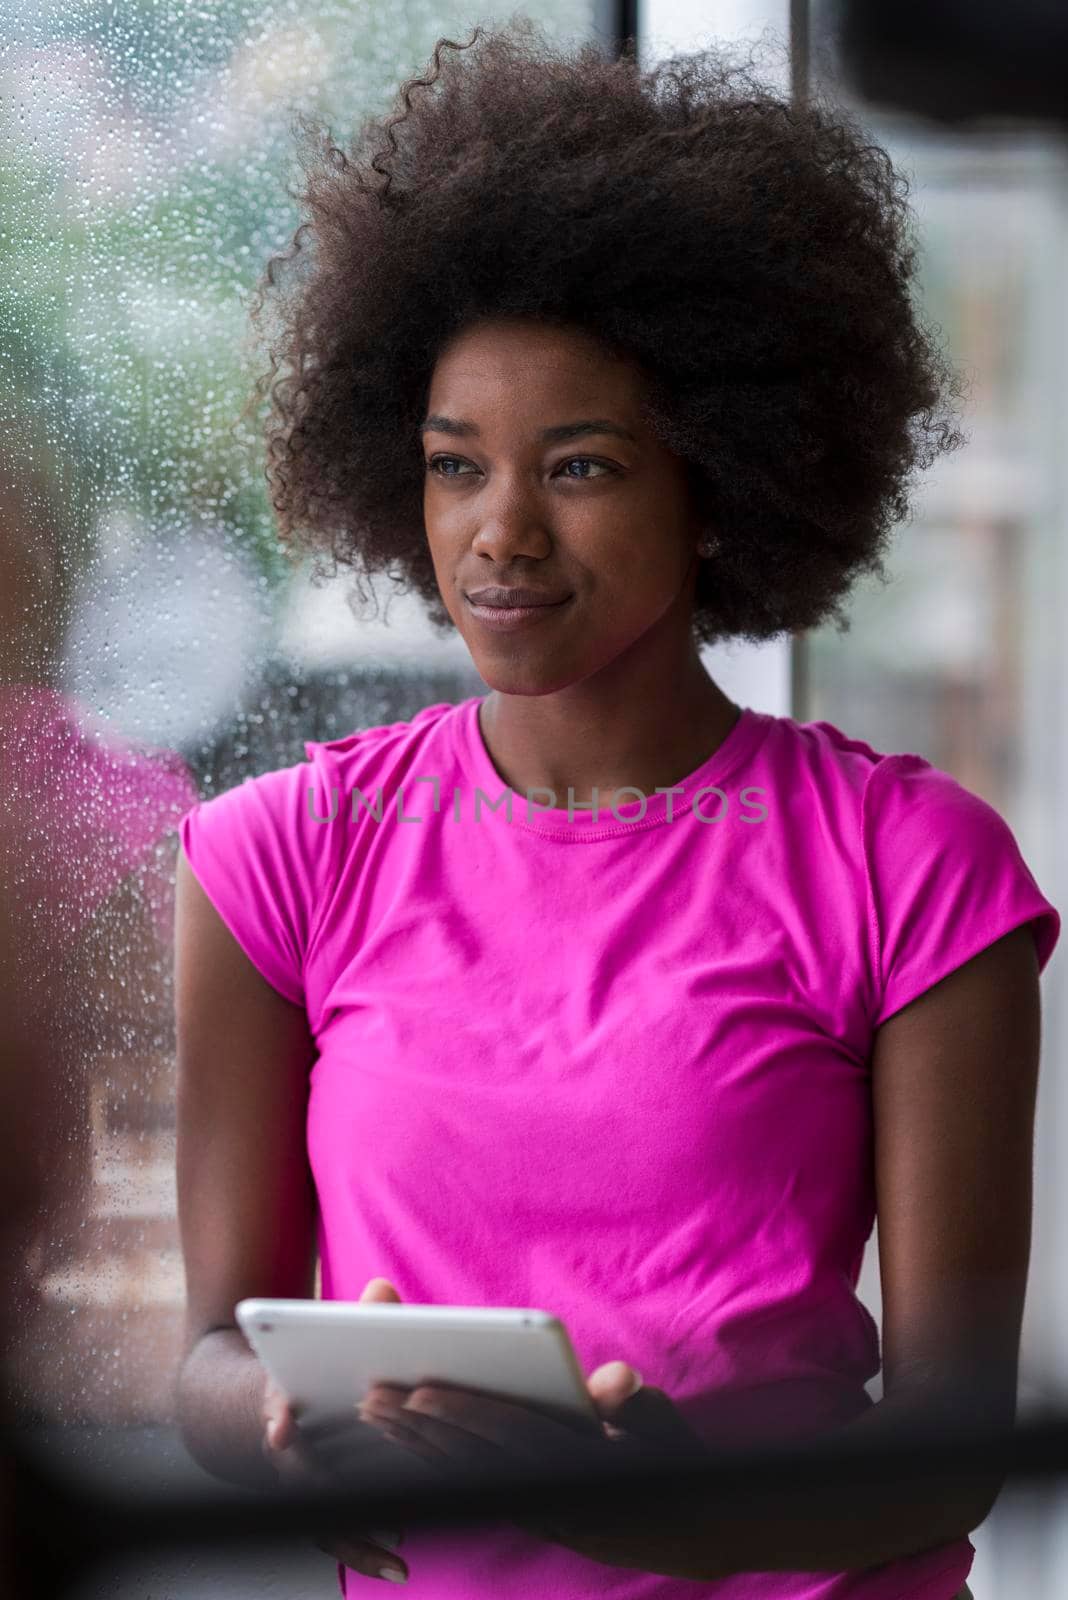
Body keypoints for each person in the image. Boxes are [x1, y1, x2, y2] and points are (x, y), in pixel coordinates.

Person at [173, 20, 1057, 1600]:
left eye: (577, 468)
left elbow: (954, 1440)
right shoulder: (278, 861)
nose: (498, 533)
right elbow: (209, 1362)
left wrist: (673, 1514)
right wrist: (280, 1433)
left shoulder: (911, 870)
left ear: (717, 481)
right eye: (456, 467)